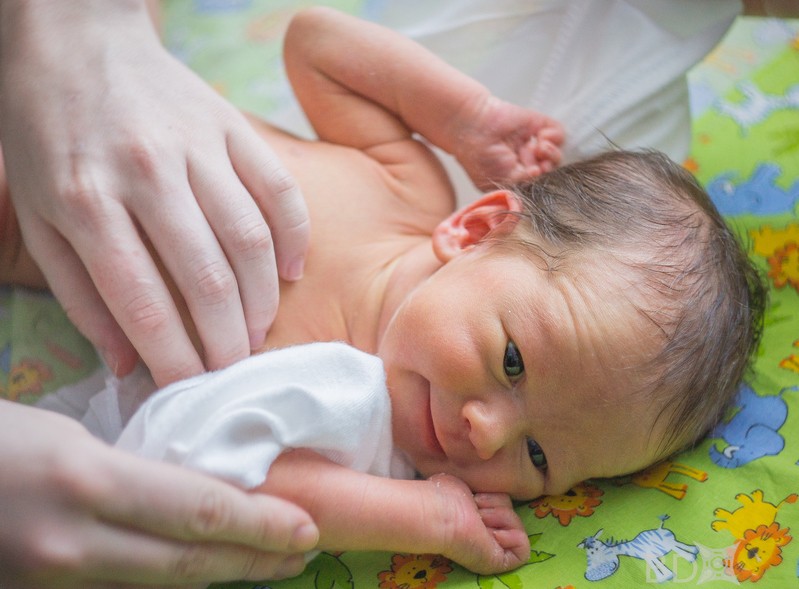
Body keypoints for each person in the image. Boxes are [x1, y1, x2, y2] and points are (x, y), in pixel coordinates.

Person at [0, 6, 765, 584]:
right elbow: (314, 45)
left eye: (537, 457)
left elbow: (229, 472)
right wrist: (460, 117)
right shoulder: (406, 183)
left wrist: (423, 516)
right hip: (80, 109)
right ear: (475, 227)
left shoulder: (370, 442)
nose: (485, 432)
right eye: (510, 360)